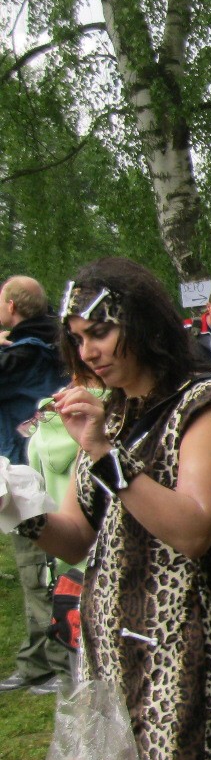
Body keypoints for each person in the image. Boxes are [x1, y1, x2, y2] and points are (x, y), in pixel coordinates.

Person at [21, 258, 211, 760]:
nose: (89, 352)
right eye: (78, 339)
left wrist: (104, 453)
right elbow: (76, 538)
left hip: (182, 649)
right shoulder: (113, 412)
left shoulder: (208, 404)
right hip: (106, 650)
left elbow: (193, 530)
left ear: (142, 324)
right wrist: (19, 512)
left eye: (100, 332)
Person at [0, 275, 70, 695]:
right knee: (38, 571)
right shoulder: (58, 343)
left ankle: (59, 662)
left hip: (28, 474)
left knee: (40, 570)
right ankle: (37, 660)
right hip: (50, 466)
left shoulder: (23, 354)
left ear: (11, 306)